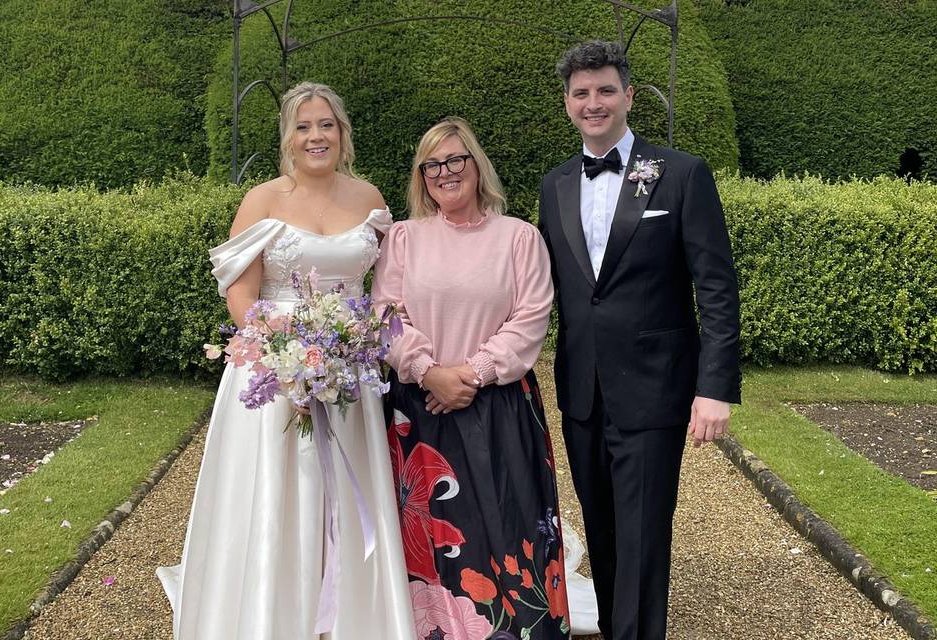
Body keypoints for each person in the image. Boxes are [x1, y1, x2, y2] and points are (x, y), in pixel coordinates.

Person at [156, 82, 415, 639]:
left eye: (326, 124)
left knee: (347, 493)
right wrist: (283, 355)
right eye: (304, 126)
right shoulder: (263, 200)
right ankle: (271, 613)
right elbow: (242, 296)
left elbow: (385, 290)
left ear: (343, 133)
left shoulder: (370, 198)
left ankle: (349, 614)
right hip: (273, 374)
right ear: (287, 138)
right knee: (279, 490)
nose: (316, 135)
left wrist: (350, 344)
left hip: (348, 372)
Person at [537, 41, 742, 640]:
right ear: (567, 104)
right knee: (600, 532)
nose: (593, 102)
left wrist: (714, 388)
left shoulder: (679, 174)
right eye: (581, 93)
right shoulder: (554, 186)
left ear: (628, 95)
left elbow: (717, 289)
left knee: (644, 535)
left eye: (605, 90)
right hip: (582, 391)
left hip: (655, 390)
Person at [372, 117, 571, 639]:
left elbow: (531, 318)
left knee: (509, 525)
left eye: (455, 159)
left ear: (477, 166)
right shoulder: (403, 239)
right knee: (436, 540)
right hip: (421, 411)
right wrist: (428, 373)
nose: (445, 172)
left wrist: (472, 374)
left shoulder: (519, 238)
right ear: (421, 176)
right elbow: (385, 315)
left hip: (501, 407)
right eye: (432, 164)